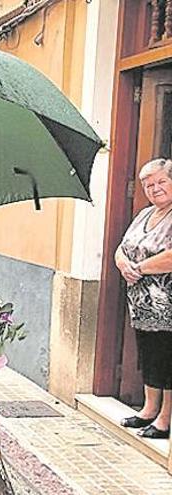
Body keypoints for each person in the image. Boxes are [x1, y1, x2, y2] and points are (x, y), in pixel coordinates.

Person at [116, 158, 172, 439]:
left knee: (167, 359)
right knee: (149, 356)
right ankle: (149, 409)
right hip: (142, 307)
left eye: (161, 181)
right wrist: (122, 263)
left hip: (167, 306)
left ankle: (165, 419)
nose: (155, 188)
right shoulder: (145, 214)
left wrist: (138, 268)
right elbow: (122, 247)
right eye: (149, 185)